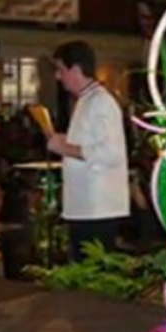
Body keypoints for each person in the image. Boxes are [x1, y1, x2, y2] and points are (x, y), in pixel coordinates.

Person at [45, 40, 129, 262]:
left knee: (94, 278)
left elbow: (111, 153)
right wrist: (66, 142)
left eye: (61, 70)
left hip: (98, 208)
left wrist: (65, 147)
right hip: (85, 206)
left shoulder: (101, 102)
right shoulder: (86, 101)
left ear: (75, 70)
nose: (58, 76)